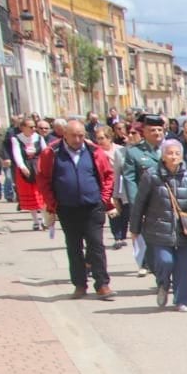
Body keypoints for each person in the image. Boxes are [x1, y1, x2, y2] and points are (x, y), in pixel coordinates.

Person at [34, 118, 117, 300]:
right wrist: (52, 202)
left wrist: (103, 199)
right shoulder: (52, 152)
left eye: (81, 135)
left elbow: (109, 175)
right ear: (64, 134)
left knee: (96, 245)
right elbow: (43, 179)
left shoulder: (93, 150)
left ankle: (102, 284)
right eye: (74, 136)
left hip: (93, 206)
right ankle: (79, 284)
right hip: (67, 207)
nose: (78, 140)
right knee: (74, 247)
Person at [131, 139, 187, 311]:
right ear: (163, 155)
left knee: (183, 268)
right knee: (165, 261)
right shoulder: (152, 176)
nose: (174, 156)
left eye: (177, 153)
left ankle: (182, 300)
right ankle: (162, 283)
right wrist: (135, 228)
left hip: (183, 230)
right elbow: (139, 203)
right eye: (170, 153)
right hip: (158, 229)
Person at [120, 114, 166, 254]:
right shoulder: (134, 152)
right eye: (152, 130)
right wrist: (136, 206)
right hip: (148, 202)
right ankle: (147, 262)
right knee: (149, 238)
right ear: (144, 132)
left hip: (169, 200)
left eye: (159, 129)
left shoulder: (171, 148)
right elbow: (130, 180)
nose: (157, 133)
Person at [10, 115, 47, 230]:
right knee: (31, 194)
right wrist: (22, 166)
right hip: (26, 168)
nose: (33, 129)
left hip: (38, 167)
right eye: (30, 127)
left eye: (34, 127)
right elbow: (17, 154)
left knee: (42, 194)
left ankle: (44, 220)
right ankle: (35, 220)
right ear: (23, 128)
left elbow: (45, 152)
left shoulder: (39, 138)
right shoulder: (16, 139)